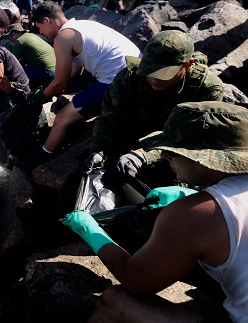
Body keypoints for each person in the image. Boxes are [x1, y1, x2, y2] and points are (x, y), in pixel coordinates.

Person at [62, 101, 248, 322]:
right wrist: (192, 193)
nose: (163, 157)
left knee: (115, 302)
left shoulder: (193, 215)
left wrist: (91, 231)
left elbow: (136, 282)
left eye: (171, 153)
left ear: (203, 159)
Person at [85, 31, 223, 197]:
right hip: (131, 138)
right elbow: (109, 119)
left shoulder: (206, 90)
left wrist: (143, 155)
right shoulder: (129, 77)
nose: (154, 79)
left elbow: (190, 139)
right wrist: (99, 151)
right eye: (150, 70)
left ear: (187, 65)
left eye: (163, 73)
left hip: (172, 156)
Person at [25, 1, 141, 164]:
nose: (42, 33)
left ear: (47, 20)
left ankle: (41, 158)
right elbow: (75, 72)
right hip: (136, 71)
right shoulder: (82, 25)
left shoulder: (63, 38)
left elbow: (62, 81)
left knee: (62, 117)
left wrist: (38, 98)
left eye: (40, 27)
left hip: (117, 81)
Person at [2, 23, 56, 89]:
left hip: (48, 73)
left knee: (15, 70)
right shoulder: (31, 35)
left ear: (20, 32)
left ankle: (24, 90)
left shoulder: (19, 41)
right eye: (9, 37)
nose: (10, 39)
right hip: (57, 71)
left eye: (12, 35)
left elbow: (13, 63)